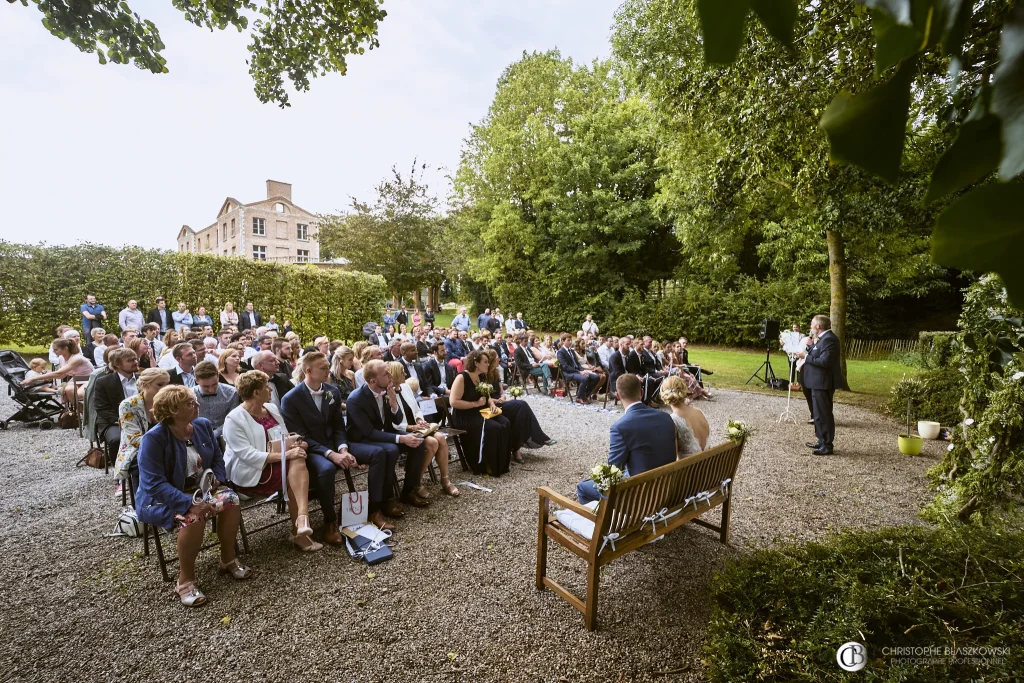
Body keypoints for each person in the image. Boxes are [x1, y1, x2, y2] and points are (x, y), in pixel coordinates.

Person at [135, 385, 250, 607]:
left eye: (195, 401)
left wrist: (217, 478)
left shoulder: (202, 425)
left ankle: (227, 559)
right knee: (193, 517)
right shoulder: (154, 439)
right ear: (173, 410)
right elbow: (153, 483)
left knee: (231, 499)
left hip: (202, 488)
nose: (198, 405)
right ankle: (185, 580)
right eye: (190, 403)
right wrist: (188, 502)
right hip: (164, 497)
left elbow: (218, 458)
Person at [281, 352, 394, 539]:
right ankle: (329, 522)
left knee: (378, 453)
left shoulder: (331, 391)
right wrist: (330, 454)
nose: (328, 371)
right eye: (323, 368)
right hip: (313, 449)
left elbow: (338, 427)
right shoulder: (291, 399)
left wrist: (342, 449)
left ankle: (374, 510)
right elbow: (301, 437)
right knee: (326, 469)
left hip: (337, 444)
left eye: (327, 366)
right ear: (308, 370)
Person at [223, 371, 321, 552]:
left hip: (279, 462)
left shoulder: (272, 409)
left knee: (298, 458)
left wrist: (296, 445)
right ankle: (300, 526)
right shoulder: (234, 419)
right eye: (266, 387)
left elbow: (284, 438)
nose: (270, 390)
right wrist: (287, 455)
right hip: (252, 470)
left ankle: (301, 521)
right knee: (296, 466)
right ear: (255, 393)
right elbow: (247, 455)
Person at [576, 375, 677, 504]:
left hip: (640, 495)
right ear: (641, 392)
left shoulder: (620, 427)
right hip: (667, 487)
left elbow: (614, 471)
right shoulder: (665, 417)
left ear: (618, 395)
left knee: (583, 488)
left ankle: (604, 522)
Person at [346, 359, 430, 509]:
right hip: (362, 440)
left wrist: (393, 404)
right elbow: (369, 432)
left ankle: (408, 491)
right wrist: (401, 438)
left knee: (419, 442)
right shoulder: (355, 399)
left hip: (384, 435)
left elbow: (396, 420)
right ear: (373, 381)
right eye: (386, 373)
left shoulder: (386, 390)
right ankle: (385, 500)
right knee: (391, 450)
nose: (391, 375)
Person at [385, 362, 459, 497]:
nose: (406, 374)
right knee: (432, 442)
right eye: (402, 372)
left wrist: (419, 419)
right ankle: (417, 482)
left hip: (417, 427)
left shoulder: (406, 387)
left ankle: (445, 480)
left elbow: (416, 409)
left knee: (440, 437)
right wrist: (411, 427)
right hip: (402, 430)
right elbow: (390, 423)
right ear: (395, 374)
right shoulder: (386, 394)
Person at [483, 349, 555, 463]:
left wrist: (502, 397)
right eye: (497, 357)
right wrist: (495, 400)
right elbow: (482, 397)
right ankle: (537, 438)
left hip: (501, 403)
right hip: (491, 406)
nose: (499, 359)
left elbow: (502, 392)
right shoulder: (483, 376)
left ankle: (516, 448)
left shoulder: (495, 373)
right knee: (522, 405)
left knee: (521, 414)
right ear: (492, 360)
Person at [449, 350, 512, 476]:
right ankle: (485, 465)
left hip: (480, 412)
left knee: (505, 423)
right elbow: (453, 402)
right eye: (485, 362)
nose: (488, 365)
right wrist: (475, 404)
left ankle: (501, 464)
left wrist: (492, 405)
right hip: (464, 416)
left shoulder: (482, 376)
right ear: (476, 363)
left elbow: (487, 396)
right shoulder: (462, 377)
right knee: (493, 428)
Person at [114, 368, 170, 489]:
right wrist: (163, 447)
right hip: (135, 450)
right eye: (160, 385)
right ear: (145, 385)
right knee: (146, 460)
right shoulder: (128, 405)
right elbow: (134, 439)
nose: (165, 389)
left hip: (167, 447)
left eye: (166, 384)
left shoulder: (168, 402)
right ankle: (142, 502)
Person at [796, 314, 843, 455]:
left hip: (824, 382)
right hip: (817, 382)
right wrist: (810, 349)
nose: (810, 326)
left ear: (818, 326)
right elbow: (817, 355)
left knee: (824, 413)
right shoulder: (821, 339)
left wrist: (806, 357)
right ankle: (821, 439)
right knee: (817, 413)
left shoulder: (829, 340)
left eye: (812, 324)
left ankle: (827, 444)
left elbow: (824, 362)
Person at [93, 348, 140, 467]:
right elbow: (101, 408)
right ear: (118, 365)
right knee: (116, 439)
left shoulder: (143, 379)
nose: (135, 362)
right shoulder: (103, 382)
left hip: (142, 419)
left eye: (135, 359)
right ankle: (120, 473)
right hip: (114, 421)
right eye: (130, 360)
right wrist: (122, 421)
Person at [24, 338, 93, 403]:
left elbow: (58, 373)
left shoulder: (77, 358)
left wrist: (33, 379)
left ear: (65, 348)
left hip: (89, 378)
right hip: (77, 379)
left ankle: (90, 411)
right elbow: (62, 375)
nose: (54, 351)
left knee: (79, 394)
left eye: (56, 349)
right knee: (68, 390)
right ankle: (79, 413)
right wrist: (48, 377)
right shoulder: (61, 358)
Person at [658, 376, 707, 454]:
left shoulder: (673, 420)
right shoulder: (700, 412)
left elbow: (672, 457)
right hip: (709, 464)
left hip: (689, 466)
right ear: (684, 390)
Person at [192, 361, 240, 438]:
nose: (211, 390)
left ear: (218, 376)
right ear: (196, 380)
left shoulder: (232, 393)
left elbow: (233, 419)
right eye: (205, 386)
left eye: (214, 384)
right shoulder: (189, 395)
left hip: (225, 434)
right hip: (197, 435)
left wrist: (215, 434)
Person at [557, 334, 599, 405]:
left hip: (576, 371)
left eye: (571, 340)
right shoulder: (560, 352)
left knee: (596, 377)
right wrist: (579, 371)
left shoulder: (572, 351)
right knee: (585, 378)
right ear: (563, 341)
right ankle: (579, 397)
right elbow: (565, 366)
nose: (570, 342)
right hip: (568, 373)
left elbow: (577, 363)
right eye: (568, 340)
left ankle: (585, 394)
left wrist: (582, 370)